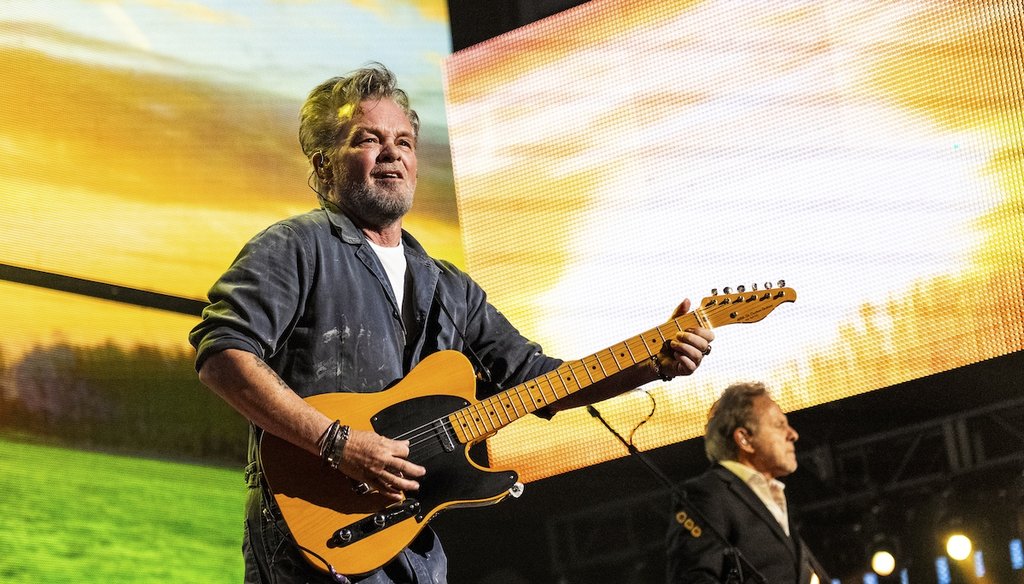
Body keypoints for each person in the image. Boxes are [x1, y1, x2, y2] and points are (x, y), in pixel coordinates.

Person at [188, 63, 715, 584]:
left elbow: (540, 381)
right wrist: (339, 443)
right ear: (325, 166)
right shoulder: (294, 247)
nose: (393, 152)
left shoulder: (450, 288)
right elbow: (222, 355)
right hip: (312, 544)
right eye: (368, 139)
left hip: (412, 548)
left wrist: (652, 364)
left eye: (405, 142)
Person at [665, 382, 828, 584]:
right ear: (745, 439)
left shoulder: (772, 496)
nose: (793, 434)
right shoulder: (708, 493)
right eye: (779, 425)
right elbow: (692, 579)